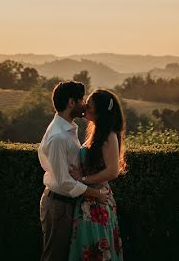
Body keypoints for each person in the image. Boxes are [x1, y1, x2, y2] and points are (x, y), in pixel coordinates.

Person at [39, 81, 109, 261]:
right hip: (59, 205)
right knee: (55, 256)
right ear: (71, 103)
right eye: (81, 100)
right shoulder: (58, 137)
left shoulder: (66, 130)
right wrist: (95, 193)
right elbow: (63, 181)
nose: (85, 104)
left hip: (67, 203)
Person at [68, 89, 126, 261]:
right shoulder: (95, 133)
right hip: (87, 200)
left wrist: (83, 180)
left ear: (99, 111)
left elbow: (112, 171)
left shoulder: (109, 136)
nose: (85, 106)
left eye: (89, 105)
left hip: (98, 203)